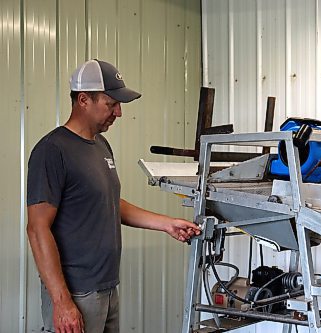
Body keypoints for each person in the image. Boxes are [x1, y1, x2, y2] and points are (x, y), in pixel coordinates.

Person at [26, 59, 201, 333]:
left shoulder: (100, 145)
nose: (118, 112)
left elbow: (108, 204)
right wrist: (62, 302)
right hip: (77, 293)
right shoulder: (52, 150)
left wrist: (167, 224)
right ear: (83, 100)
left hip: (107, 288)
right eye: (111, 104)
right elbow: (37, 229)